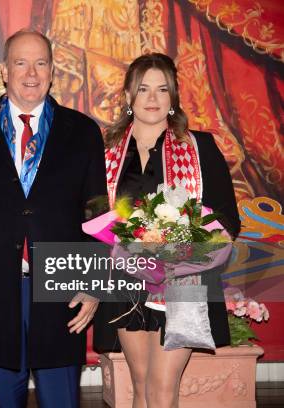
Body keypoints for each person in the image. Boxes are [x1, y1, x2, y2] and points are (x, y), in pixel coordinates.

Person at [0, 29, 106, 408]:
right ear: (4, 71)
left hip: (62, 290)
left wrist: (94, 283)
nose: (31, 73)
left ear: (52, 71)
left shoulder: (83, 130)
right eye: (21, 63)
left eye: (40, 63)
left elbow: (98, 213)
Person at [92, 53, 241, 408]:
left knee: (163, 389)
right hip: (126, 281)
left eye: (162, 89)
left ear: (173, 97)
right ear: (128, 95)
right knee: (141, 386)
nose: (153, 99)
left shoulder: (199, 147)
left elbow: (227, 219)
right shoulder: (107, 152)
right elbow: (93, 213)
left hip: (185, 280)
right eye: (143, 89)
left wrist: (181, 246)